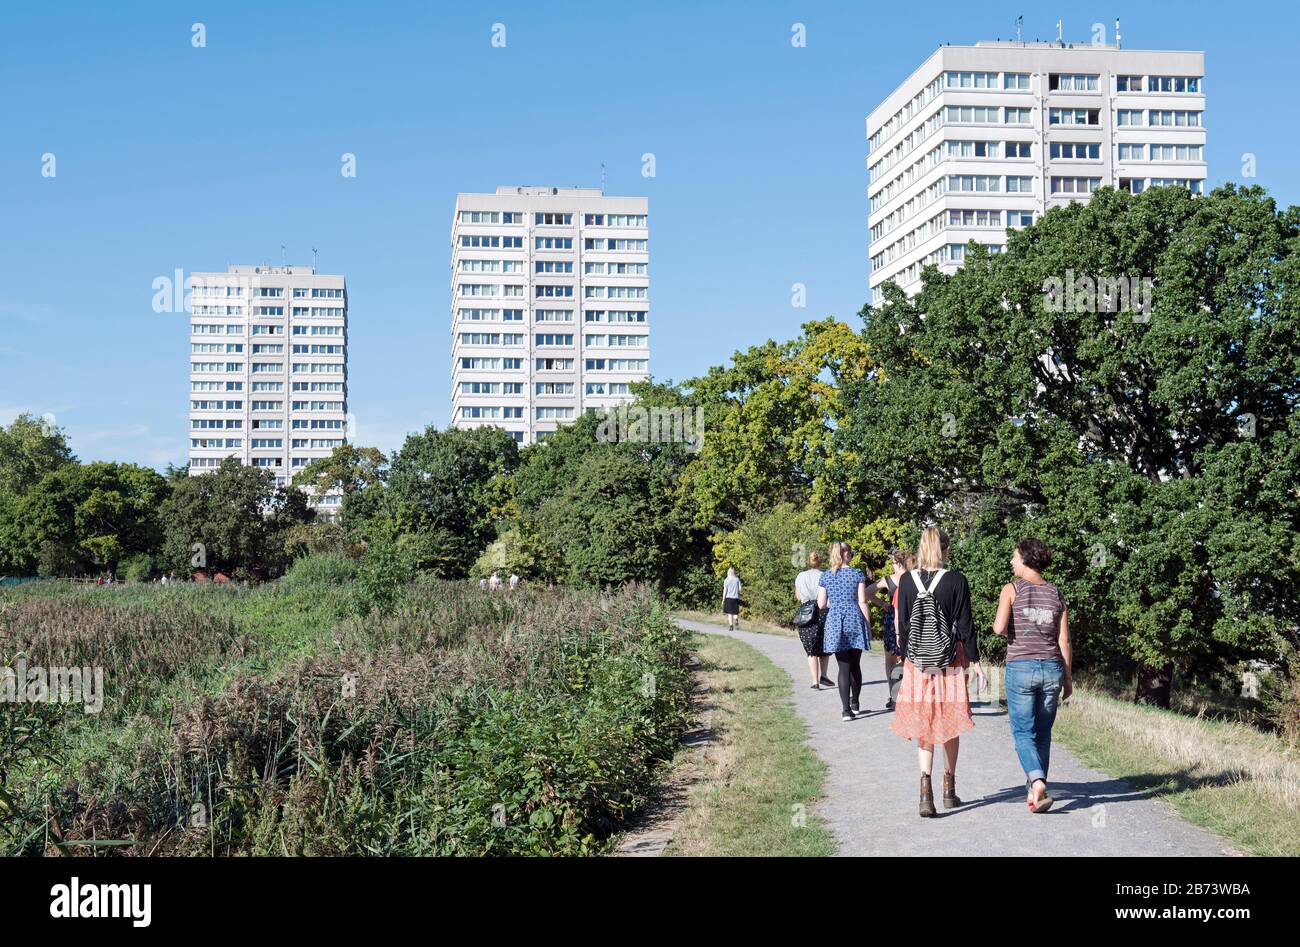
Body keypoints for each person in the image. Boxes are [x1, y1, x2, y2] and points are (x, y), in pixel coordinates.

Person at [891, 526, 986, 817]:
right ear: (945, 550)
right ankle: (949, 789)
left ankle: (924, 793)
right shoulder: (957, 580)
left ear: (920, 549)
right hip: (950, 660)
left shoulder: (906, 581)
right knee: (950, 722)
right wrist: (977, 661)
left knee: (924, 724)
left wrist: (909, 657)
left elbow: (904, 626)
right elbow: (966, 626)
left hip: (918, 663)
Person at [993, 538, 1072, 814]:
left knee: (1022, 732)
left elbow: (999, 628)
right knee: (1043, 734)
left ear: (1025, 559)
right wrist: (1068, 679)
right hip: (1052, 669)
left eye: (1014, 556)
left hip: (1021, 668)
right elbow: (1064, 641)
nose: (1012, 561)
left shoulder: (1011, 589)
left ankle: (1037, 781)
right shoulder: (1056, 593)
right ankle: (1036, 793)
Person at [816, 542, 872, 721]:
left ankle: (846, 711)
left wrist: (835, 603)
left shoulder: (826, 576)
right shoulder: (857, 574)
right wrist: (868, 625)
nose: (850, 553)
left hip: (835, 620)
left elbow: (821, 604)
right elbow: (862, 602)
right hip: (855, 618)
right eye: (847, 551)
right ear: (843, 554)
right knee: (855, 664)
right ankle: (855, 703)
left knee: (843, 667)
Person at [871, 548, 912, 710]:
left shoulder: (889, 580)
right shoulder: (914, 578)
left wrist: (882, 604)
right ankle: (905, 695)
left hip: (891, 620)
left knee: (890, 660)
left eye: (893, 563)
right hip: (908, 620)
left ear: (898, 563)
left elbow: (867, 593)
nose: (892, 566)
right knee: (906, 660)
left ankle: (893, 695)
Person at [795, 551, 834, 689]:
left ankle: (814, 681)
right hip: (823, 610)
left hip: (806, 611)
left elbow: (798, 596)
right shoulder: (826, 575)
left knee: (811, 648)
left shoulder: (801, 576)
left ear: (808, 562)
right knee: (824, 644)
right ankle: (824, 675)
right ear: (821, 562)